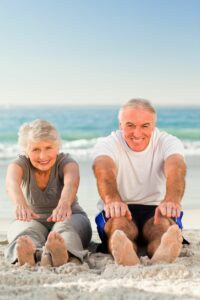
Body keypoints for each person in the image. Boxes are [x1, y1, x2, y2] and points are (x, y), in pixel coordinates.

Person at [92, 98, 186, 266]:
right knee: (120, 226)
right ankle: (126, 253)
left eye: (144, 126)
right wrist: (112, 199)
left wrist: (172, 199)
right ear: (120, 125)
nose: (137, 133)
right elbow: (103, 169)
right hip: (120, 208)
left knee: (162, 227)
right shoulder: (107, 143)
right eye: (130, 125)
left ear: (153, 125)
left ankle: (161, 253)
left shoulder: (168, 142)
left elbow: (176, 168)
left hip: (157, 209)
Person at [5, 119, 92, 267]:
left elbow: (72, 181)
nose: (43, 156)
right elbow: (11, 182)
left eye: (48, 148)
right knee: (26, 232)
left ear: (57, 147)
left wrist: (64, 203)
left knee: (64, 229)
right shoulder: (20, 164)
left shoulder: (66, 161)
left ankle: (62, 253)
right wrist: (20, 204)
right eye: (36, 150)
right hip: (31, 219)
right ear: (26, 150)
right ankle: (32, 254)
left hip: (70, 216)